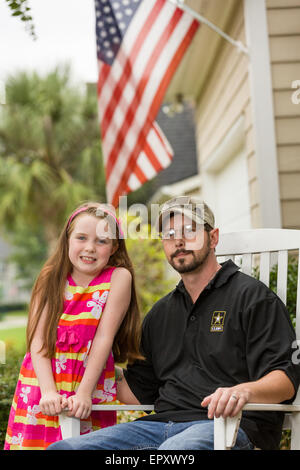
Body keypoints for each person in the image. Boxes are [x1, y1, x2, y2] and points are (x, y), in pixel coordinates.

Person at [48, 196, 300, 451]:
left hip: (227, 427)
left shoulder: (252, 298)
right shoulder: (161, 314)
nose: (178, 241)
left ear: (213, 238)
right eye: (169, 234)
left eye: (190, 231)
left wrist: (243, 391)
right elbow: (137, 393)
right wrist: (95, 361)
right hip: (159, 428)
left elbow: (286, 379)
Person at [4, 202, 143, 450]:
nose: (90, 248)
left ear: (114, 247)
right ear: (67, 240)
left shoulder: (118, 278)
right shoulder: (51, 277)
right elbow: (38, 341)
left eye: (102, 241)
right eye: (81, 238)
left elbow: (103, 338)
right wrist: (47, 392)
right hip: (43, 386)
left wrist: (84, 394)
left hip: (88, 386)